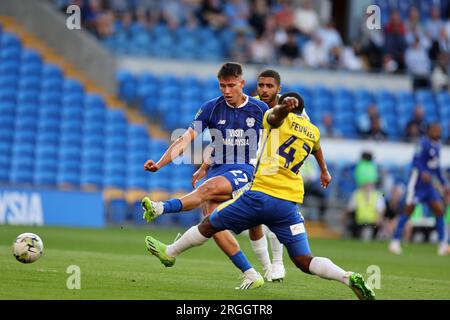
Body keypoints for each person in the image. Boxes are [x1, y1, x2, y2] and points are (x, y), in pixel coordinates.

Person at [143, 92, 376, 300]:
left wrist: (282, 110)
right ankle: (347, 277)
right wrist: (324, 170)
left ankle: (170, 252)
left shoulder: (273, 121)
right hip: (289, 204)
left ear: (286, 108)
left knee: (209, 223)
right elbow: (316, 148)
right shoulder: (313, 132)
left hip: (262, 194)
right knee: (305, 260)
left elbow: (274, 118)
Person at [141, 62, 269, 289]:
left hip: (243, 171)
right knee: (213, 222)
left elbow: (281, 131)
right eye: (222, 86)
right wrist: (160, 164)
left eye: (231, 85)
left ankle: (160, 208)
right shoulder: (211, 108)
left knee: (207, 189)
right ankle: (250, 273)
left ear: (242, 83)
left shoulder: (259, 109)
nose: (227, 91)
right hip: (218, 169)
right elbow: (185, 139)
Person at [389, 123, 450, 256]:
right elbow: (415, 161)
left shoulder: (438, 147)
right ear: (429, 131)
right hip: (417, 184)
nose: (438, 132)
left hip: (429, 187)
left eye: (439, 130)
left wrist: (445, 183)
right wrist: (423, 172)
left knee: (439, 211)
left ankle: (443, 244)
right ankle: (395, 241)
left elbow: (437, 168)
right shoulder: (422, 144)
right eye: (435, 130)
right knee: (408, 210)